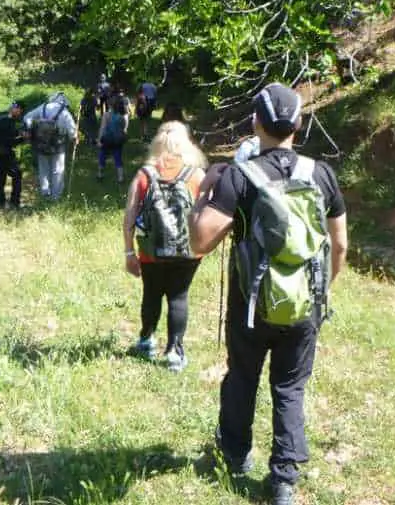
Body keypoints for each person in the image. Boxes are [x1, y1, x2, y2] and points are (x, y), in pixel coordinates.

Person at [190, 83, 348, 505]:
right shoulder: (321, 174)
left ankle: (235, 455)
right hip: (304, 307)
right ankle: (282, 482)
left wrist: (206, 191)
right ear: (298, 124)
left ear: (255, 123)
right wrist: (319, 293)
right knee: (290, 387)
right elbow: (340, 244)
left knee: (242, 376)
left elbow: (199, 242)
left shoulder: (239, 177)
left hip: (251, 304)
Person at [122, 121, 206, 371]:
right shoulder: (196, 175)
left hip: (151, 251)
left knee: (152, 294)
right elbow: (204, 213)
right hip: (188, 252)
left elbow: (129, 217)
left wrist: (129, 252)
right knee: (179, 297)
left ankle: (146, 341)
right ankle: (174, 353)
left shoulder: (145, 174)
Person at [23, 92, 78, 201]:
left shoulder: (43, 107)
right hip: (58, 145)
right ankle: (55, 196)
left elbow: (27, 117)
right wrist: (74, 138)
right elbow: (72, 131)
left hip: (41, 143)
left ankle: (45, 193)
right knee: (58, 170)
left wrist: (29, 129)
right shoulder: (65, 112)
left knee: (43, 169)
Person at [0, 101, 25, 208]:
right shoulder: (8, 121)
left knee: (0, 178)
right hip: (5, 153)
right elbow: (8, 141)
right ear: (17, 109)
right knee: (17, 174)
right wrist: (23, 139)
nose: (20, 114)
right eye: (20, 111)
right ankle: (14, 202)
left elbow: (7, 135)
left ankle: (0, 202)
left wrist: (19, 134)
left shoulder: (2, 118)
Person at [97, 94, 130, 182]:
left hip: (106, 140)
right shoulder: (122, 117)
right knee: (118, 158)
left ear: (110, 105)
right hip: (117, 141)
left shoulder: (106, 115)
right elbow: (124, 129)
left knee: (102, 156)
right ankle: (120, 178)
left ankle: (100, 174)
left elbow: (102, 128)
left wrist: (99, 139)